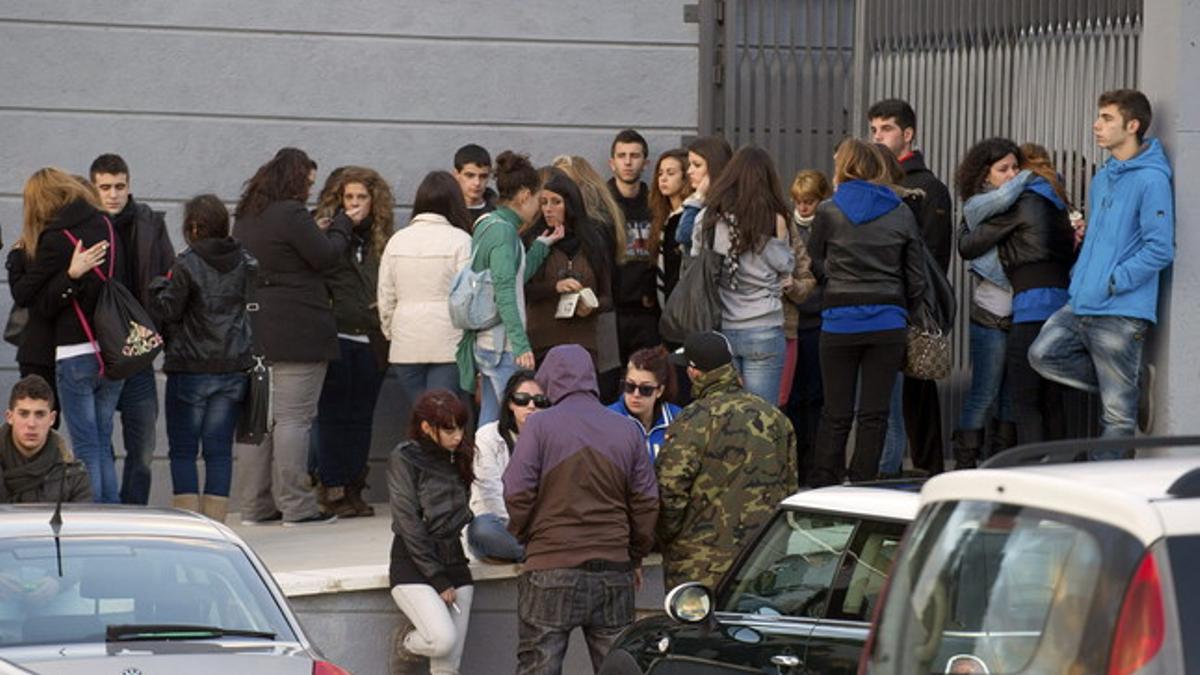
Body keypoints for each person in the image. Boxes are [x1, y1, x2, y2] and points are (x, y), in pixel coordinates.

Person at [1029, 89, 1174, 446]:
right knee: (1043, 355)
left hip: (1121, 309)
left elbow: (1160, 248)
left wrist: (1114, 281)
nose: (1096, 125)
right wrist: (1082, 277)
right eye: (1099, 117)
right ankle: (1130, 385)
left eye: (1107, 118)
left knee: (1116, 417)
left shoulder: (1151, 179)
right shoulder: (1102, 178)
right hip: (1081, 300)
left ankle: (1110, 487)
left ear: (1133, 125)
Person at [503, 345, 658, 674]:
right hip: (614, 571)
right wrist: (635, 554)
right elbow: (646, 501)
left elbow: (517, 490)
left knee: (539, 665)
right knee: (619, 665)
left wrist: (525, 534)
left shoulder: (540, 426)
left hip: (550, 566)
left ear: (551, 379)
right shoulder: (627, 429)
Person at [233, 147, 360, 526]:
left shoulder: (247, 216)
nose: (309, 189)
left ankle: (255, 506)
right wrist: (342, 225)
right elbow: (326, 257)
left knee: (259, 421)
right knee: (293, 420)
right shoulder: (290, 213)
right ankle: (298, 507)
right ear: (294, 179)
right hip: (297, 328)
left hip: (255, 328)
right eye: (307, 181)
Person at [806, 139, 926, 487]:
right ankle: (863, 487)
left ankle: (823, 488)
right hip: (888, 322)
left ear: (845, 165)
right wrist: (905, 308)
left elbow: (814, 260)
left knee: (835, 413)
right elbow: (916, 277)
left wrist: (832, 279)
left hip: (839, 322)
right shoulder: (901, 210)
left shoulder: (828, 210)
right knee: (874, 414)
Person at [12, 168, 129, 503]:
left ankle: (94, 515)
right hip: (110, 351)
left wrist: (67, 275)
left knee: (86, 444)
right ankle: (112, 511)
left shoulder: (54, 238)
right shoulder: (106, 224)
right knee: (103, 439)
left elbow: (33, 299)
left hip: (75, 352)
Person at [958, 138, 1076, 446]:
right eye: (1004, 169)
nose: (1011, 175)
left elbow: (968, 245)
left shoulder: (1021, 203)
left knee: (1023, 400)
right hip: (1055, 307)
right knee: (1048, 399)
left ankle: (1027, 473)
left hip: (1029, 306)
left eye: (1016, 168)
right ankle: (1056, 472)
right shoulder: (1057, 203)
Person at [657, 331, 796, 589]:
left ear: (694, 373)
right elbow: (789, 487)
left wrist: (668, 539)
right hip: (762, 559)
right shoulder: (774, 417)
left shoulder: (692, 420)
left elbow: (670, 490)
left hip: (700, 565)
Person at [146, 194, 254, 521]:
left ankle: (190, 524)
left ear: (194, 226)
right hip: (234, 366)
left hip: (190, 367)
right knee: (219, 452)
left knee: (183, 450)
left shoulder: (187, 263)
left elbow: (169, 309)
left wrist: (156, 287)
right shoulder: (247, 262)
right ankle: (217, 526)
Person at [869, 100, 952, 475]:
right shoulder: (876, 186)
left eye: (885, 129)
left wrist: (918, 304)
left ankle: (927, 468)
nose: (877, 137)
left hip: (912, 305)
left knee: (918, 390)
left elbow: (933, 254)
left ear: (908, 134)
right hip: (882, 304)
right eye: (873, 130)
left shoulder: (926, 187)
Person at [88, 153, 176, 506]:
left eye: (119, 186)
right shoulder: (85, 226)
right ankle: (108, 509)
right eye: (105, 187)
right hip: (101, 353)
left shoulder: (149, 222)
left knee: (142, 448)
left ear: (129, 185)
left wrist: (159, 332)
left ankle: (134, 509)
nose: (113, 194)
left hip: (139, 352)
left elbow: (169, 277)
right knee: (100, 441)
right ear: (93, 188)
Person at [312, 166, 394, 518]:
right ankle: (332, 487)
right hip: (336, 336)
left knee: (361, 417)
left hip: (373, 339)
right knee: (332, 417)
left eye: (362, 197)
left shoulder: (383, 241)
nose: (356, 204)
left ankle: (355, 488)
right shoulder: (328, 236)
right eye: (349, 197)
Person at [456, 151, 560, 426]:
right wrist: (521, 343)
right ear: (525, 194)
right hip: (502, 345)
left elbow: (512, 279)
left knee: (490, 420)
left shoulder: (488, 224)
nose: (540, 207)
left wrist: (540, 247)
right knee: (511, 421)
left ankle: (484, 468)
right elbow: (504, 290)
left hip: (486, 342)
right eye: (538, 199)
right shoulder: (504, 233)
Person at [375, 171, 473, 460]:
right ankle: (447, 485)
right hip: (448, 342)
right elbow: (469, 297)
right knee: (447, 421)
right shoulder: (461, 240)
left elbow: (385, 295)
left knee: (425, 421)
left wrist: (393, 331)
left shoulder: (397, 241)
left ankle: (419, 486)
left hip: (406, 346)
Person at [691, 146, 799, 401]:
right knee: (760, 417)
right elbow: (785, 266)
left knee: (725, 416)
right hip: (764, 325)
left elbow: (696, 259)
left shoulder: (707, 218)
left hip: (720, 327)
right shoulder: (774, 219)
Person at [387, 389, 475, 674]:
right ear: (426, 428)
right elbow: (408, 522)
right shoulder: (405, 457)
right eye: (449, 430)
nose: (458, 436)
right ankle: (405, 644)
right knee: (442, 640)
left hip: (454, 558)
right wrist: (437, 577)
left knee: (448, 665)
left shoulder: (461, 455)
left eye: (461, 427)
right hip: (413, 563)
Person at [552, 154, 626, 402]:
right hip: (600, 319)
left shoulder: (594, 229)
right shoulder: (605, 219)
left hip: (595, 322)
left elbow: (605, 285)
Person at [522, 168, 613, 364]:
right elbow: (519, 288)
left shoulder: (594, 241)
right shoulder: (533, 240)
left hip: (585, 344)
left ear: (571, 205)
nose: (548, 209)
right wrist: (555, 287)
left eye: (556, 202)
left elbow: (608, 298)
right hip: (542, 342)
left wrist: (591, 306)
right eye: (543, 202)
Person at [466, 370, 547, 562]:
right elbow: (490, 492)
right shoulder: (488, 436)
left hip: (544, 527)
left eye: (539, 400)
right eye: (522, 399)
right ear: (510, 403)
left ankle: (537, 552)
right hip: (503, 524)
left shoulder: (554, 438)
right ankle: (541, 554)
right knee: (481, 529)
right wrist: (524, 528)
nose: (531, 406)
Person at [784, 170, 831, 483]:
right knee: (792, 398)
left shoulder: (827, 226)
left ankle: (813, 464)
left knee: (814, 398)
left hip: (816, 321)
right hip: (793, 322)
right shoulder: (785, 227)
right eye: (799, 202)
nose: (803, 208)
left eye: (809, 202)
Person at [607, 129, 661, 360]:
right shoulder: (603, 204)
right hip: (612, 310)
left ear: (646, 163)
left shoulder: (656, 204)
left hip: (648, 311)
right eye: (622, 155)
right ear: (612, 163)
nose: (628, 162)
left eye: (635, 155)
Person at [0, 375, 91, 504]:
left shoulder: (73, 475)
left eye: (40, 414)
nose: (31, 424)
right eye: (24, 414)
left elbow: (81, 522)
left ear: (52, 419)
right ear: (10, 417)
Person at [607, 346, 682, 462]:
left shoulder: (678, 419)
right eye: (630, 386)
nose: (636, 394)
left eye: (645, 389)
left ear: (659, 391)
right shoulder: (608, 419)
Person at [648, 148, 692, 307]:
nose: (663, 179)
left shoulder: (690, 217)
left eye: (670, 173)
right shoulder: (662, 217)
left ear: (686, 177)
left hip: (684, 305)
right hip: (663, 304)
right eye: (660, 173)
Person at [676, 135, 733, 254]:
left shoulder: (725, 203)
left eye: (697, 165)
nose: (689, 171)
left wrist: (697, 197)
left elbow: (685, 235)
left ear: (714, 167)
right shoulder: (703, 199)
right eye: (689, 164)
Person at [453, 144, 497, 224]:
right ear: (456, 175)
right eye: (470, 175)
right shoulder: (444, 211)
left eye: (483, 176)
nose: (477, 183)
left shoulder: (498, 213)